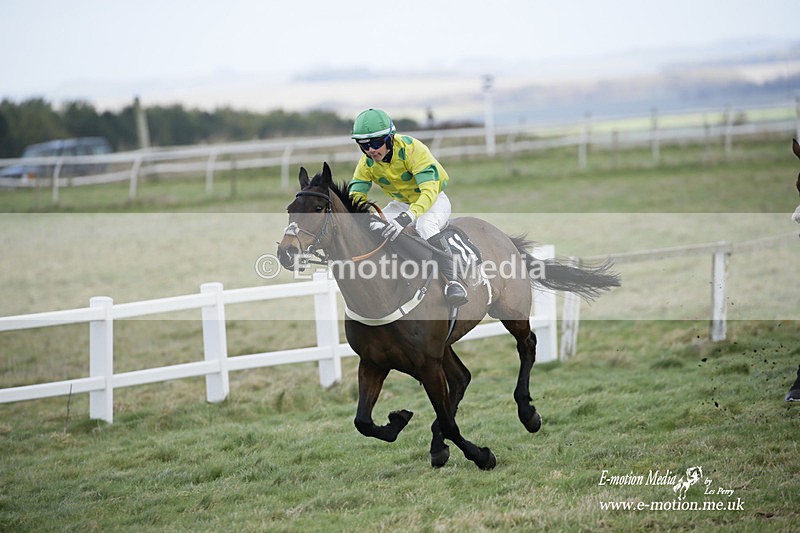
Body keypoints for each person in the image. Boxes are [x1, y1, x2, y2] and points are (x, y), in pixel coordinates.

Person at [348, 108, 468, 307]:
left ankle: (453, 281)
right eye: (364, 145)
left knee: (425, 225)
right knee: (374, 226)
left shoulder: (413, 150)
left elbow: (429, 191)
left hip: (433, 200)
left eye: (377, 143)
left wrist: (405, 218)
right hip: (400, 204)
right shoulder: (367, 162)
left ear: (390, 138)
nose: (371, 150)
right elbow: (355, 195)